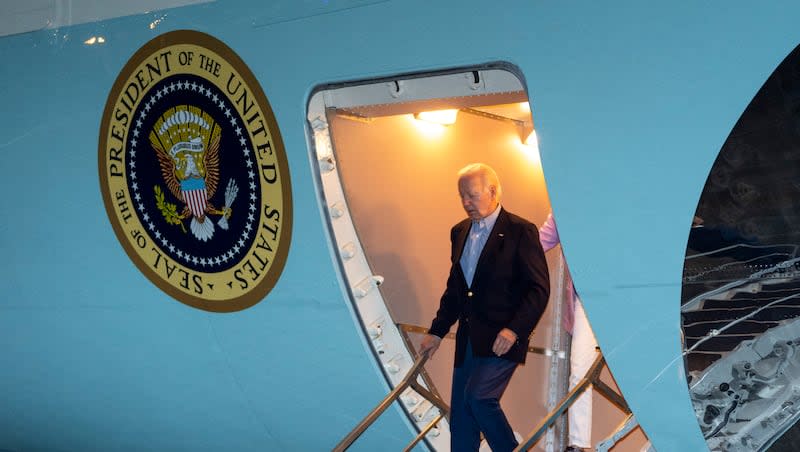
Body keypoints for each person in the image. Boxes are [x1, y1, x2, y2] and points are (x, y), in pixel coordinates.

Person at [419, 163, 550, 452]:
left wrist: (515, 330)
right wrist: (437, 332)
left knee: (479, 398)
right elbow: (456, 289)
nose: (466, 202)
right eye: (461, 195)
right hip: (468, 339)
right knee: (462, 418)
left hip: (503, 339)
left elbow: (539, 289)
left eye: (472, 195)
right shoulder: (459, 231)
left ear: (493, 191)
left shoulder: (521, 230)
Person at [538, 213, 598, 452]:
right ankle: (578, 444)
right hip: (588, 300)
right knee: (580, 370)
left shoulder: (616, 196)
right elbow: (537, 243)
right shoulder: (564, 210)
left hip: (621, 297)